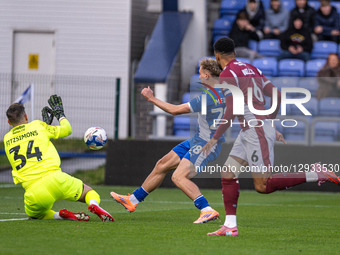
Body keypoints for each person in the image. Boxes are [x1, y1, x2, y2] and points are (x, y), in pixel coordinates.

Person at [201, 37, 340, 236]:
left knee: (263, 185)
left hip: (254, 129)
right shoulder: (252, 68)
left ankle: (315, 174)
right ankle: (230, 226)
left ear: (216, 55)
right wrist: (269, 121)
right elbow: (277, 95)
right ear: (235, 53)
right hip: (252, 128)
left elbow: (231, 108)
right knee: (228, 173)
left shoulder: (227, 75)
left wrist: (215, 137)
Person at [110, 59, 228, 224]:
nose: (199, 76)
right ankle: (133, 200)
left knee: (178, 177)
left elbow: (175, 110)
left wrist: (151, 99)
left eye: (200, 73)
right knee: (162, 164)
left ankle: (206, 209)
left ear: (207, 75)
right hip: (198, 139)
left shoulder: (208, 97)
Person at [4, 95, 114, 222]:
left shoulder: (7, 139)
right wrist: (60, 115)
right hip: (56, 179)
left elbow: (26, 142)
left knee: (35, 215)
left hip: (34, 191)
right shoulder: (38, 126)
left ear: (9, 122)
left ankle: (60, 215)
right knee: (89, 192)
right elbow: (67, 130)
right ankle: (94, 205)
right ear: (26, 116)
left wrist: (46, 125)